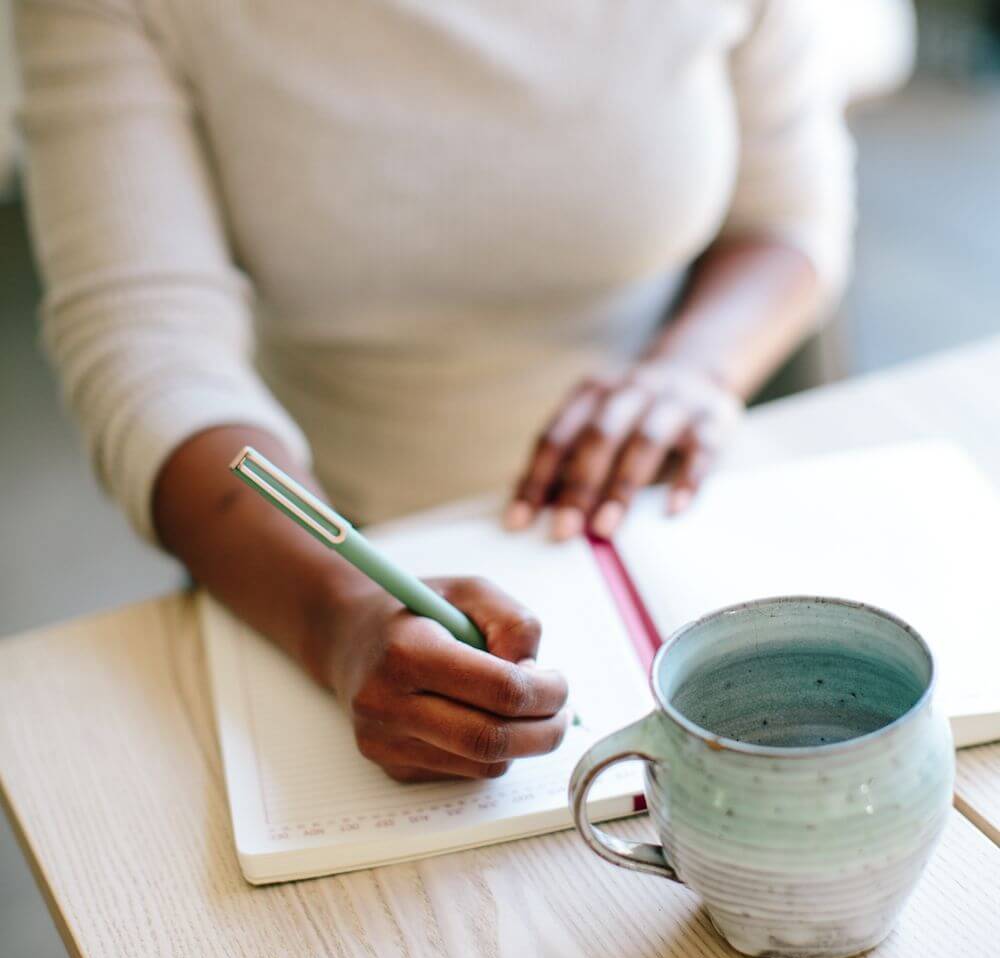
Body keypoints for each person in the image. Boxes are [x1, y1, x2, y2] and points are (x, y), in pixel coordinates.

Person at [15, 0, 853, 781]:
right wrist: (338, 617)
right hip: (313, 550)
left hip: (665, 522)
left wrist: (694, 369)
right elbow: (146, 340)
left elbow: (788, 211)